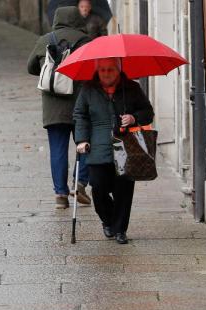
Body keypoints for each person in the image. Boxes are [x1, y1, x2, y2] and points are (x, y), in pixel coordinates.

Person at [73, 58, 154, 244]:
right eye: (102, 70)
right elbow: (80, 115)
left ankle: (120, 230)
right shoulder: (88, 89)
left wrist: (134, 118)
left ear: (118, 70)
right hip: (98, 146)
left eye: (110, 69)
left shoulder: (131, 88)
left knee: (124, 190)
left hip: (126, 147)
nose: (106, 73)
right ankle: (108, 220)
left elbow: (148, 112)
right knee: (98, 188)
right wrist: (82, 139)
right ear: (97, 71)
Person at [27, 6, 92, 209]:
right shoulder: (87, 42)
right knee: (86, 144)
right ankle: (80, 183)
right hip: (82, 105)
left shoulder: (44, 40)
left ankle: (60, 195)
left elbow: (31, 67)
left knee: (57, 149)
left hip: (53, 106)